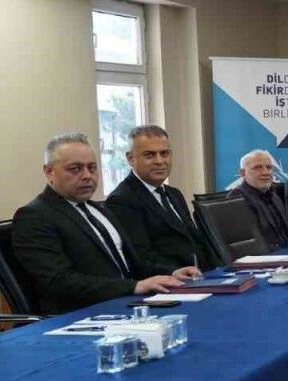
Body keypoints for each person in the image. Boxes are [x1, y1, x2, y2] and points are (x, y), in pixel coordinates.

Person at [12, 133, 197, 314]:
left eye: (92, 168)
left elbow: (131, 263)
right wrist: (134, 286)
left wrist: (172, 272)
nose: (87, 175)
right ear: (49, 172)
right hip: (83, 314)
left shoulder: (98, 210)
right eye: (75, 169)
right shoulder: (34, 216)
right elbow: (59, 281)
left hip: (127, 304)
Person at [106, 125, 218, 273]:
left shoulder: (174, 193)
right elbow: (141, 258)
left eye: (164, 153)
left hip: (204, 276)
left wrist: (222, 269)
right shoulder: (122, 200)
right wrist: (176, 273)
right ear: (131, 159)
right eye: (149, 155)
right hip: (172, 280)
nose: (159, 161)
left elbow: (196, 241)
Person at [228, 149, 288, 250]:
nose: (266, 172)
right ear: (243, 173)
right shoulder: (236, 200)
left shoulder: (273, 195)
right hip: (268, 256)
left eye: (269, 167)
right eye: (257, 167)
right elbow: (250, 244)